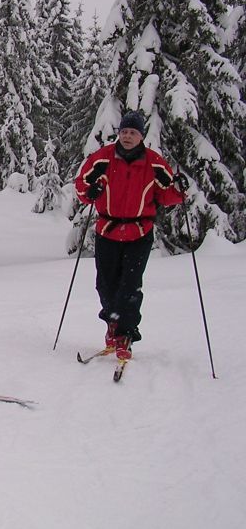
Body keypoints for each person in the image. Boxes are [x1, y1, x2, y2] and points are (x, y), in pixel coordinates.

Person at [74, 111, 186, 361]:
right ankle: (112, 324)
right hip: (108, 231)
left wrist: (180, 190)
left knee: (130, 286)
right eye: (124, 131)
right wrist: (90, 191)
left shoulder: (154, 163)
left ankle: (125, 334)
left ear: (141, 136)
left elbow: (167, 194)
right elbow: (81, 184)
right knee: (105, 284)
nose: (127, 136)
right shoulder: (102, 158)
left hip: (139, 232)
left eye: (132, 132)